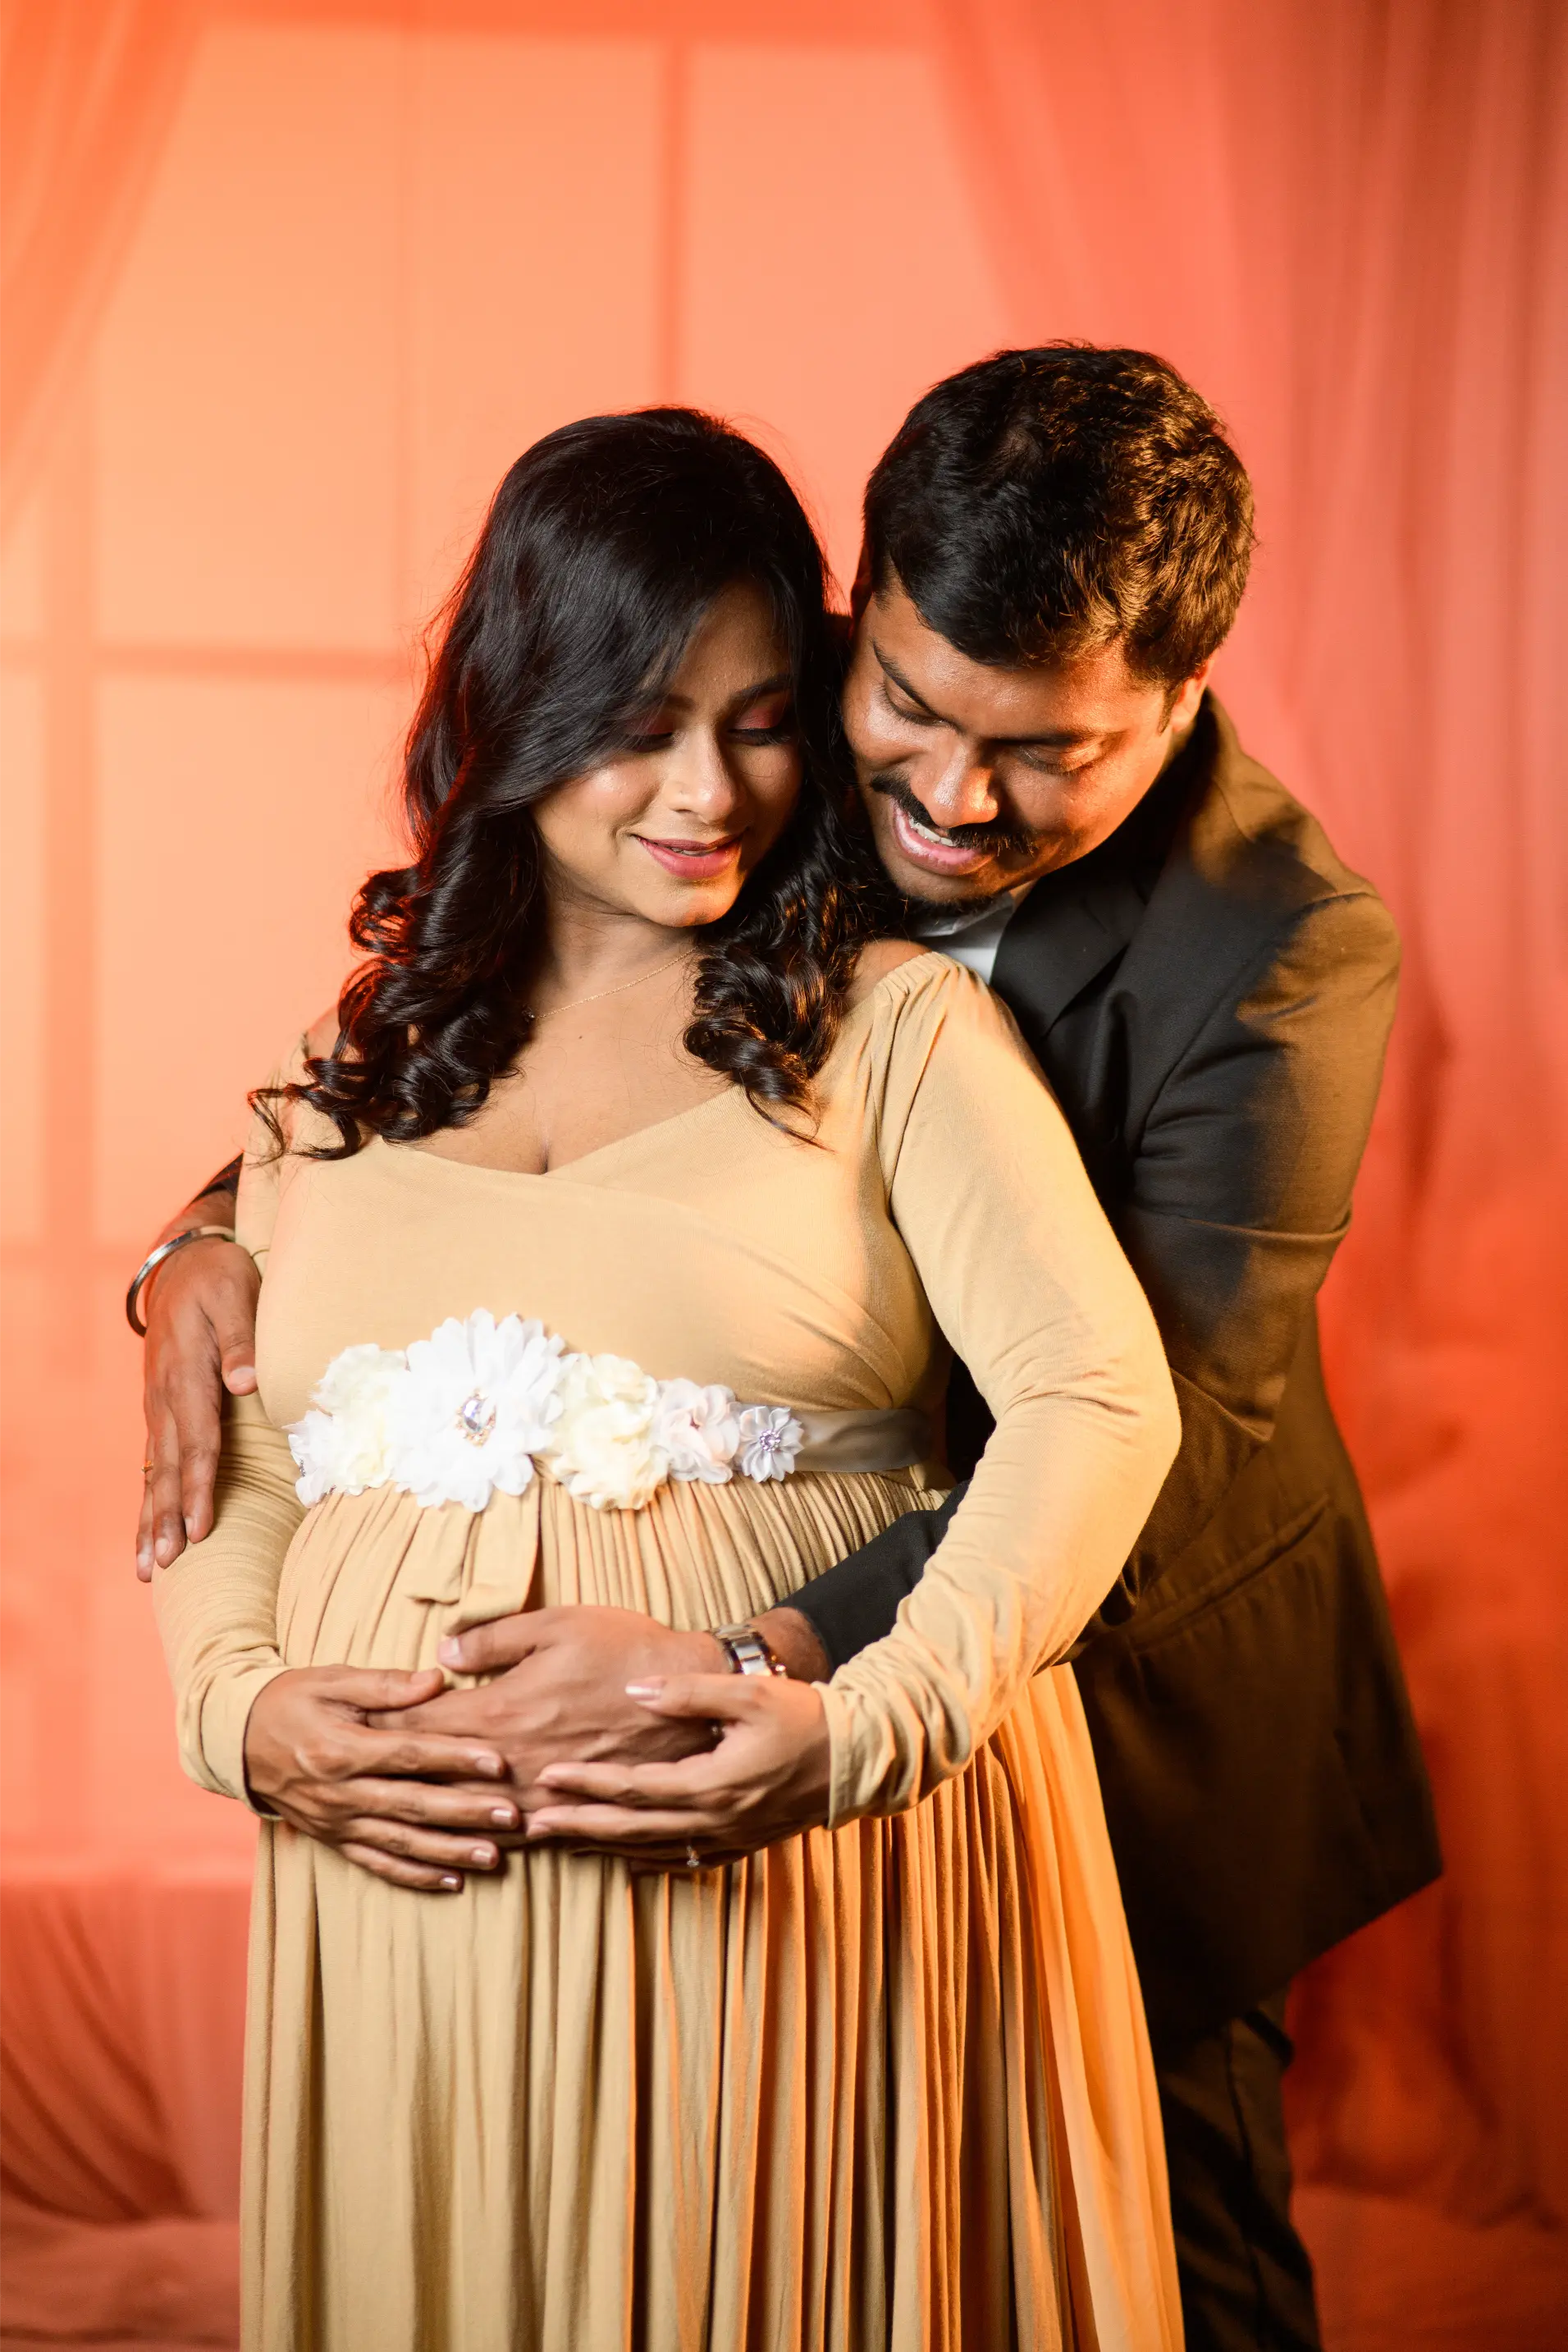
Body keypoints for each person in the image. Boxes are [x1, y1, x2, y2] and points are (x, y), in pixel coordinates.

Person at [136, 349, 1442, 2352]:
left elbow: (1140, 1403)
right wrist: (199, 1248)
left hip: (1115, 1704)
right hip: (466, 1899)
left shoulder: (1267, 954)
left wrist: (762, 1670)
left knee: (1174, 2248)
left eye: (1038, 753)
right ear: (863, 615)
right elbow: (394, 1162)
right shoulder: (734, 720)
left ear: (1176, 700)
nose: (947, 796)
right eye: (900, 705)